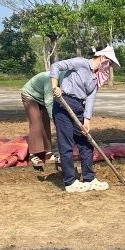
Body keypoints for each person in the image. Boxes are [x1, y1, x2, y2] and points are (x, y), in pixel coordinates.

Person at [49, 45, 120, 193]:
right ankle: (70, 182)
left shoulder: (95, 78)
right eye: (109, 63)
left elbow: (90, 98)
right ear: (103, 58)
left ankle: (89, 178)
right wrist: (55, 86)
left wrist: (87, 120)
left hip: (79, 108)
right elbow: (56, 66)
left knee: (86, 143)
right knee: (66, 144)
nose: (109, 67)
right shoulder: (80, 63)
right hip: (63, 102)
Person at [21, 71, 58, 170]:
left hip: (41, 98)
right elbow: (49, 102)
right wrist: (54, 119)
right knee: (36, 123)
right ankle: (33, 155)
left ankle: (48, 154)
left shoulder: (63, 81)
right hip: (29, 96)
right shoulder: (49, 79)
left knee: (46, 123)